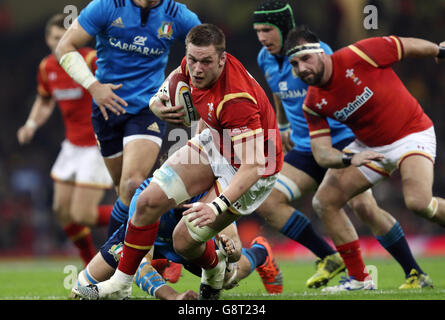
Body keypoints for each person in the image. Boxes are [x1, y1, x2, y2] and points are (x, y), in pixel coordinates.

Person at [78, 23, 284, 300]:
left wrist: (216, 206)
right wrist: (156, 103)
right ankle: (120, 284)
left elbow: (254, 165)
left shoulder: (236, 100)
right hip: (215, 141)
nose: (197, 69)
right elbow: (175, 77)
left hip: (251, 168)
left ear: (222, 59)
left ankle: (228, 266)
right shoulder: (193, 65)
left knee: (185, 241)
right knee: (146, 202)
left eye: (207, 62)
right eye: (193, 60)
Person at [252, 0, 431, 290]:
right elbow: (277, 92)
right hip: (307, 147)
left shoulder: (318, 54)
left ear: (283, 28)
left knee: (364, 208)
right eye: (257, 30)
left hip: (345, 141)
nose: (262, 37)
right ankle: (330, 257)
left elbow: (347, 87)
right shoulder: (264, 58)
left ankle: (414, 271)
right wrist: (283, 125)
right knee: (268, 199)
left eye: (267, 30)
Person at [285, 25, 445, 292]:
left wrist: (437, 50)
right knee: (324, 201)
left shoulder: (358, 54)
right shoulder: (312, 102)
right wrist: (348, 160)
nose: (301, 68)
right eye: (294, 63)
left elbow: (402, 45)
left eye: (305, 59)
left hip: (411, 132)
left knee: (418, 202)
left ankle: (411, 272)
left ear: (321, 53)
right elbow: (322, 153)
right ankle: (360, 279)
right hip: (369, 148)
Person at [54, 0, 202, 239]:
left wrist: (173, 89)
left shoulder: (177, 15)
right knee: (125, 192)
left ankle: (111, 259)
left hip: (147, 110)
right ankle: (157, 252)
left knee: (132, 184)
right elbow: (65, 47)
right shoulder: (106, 7)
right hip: (106, 110)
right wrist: (94, 86)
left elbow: (208, 53)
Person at [72, 177, 283, 300]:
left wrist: (232, 250)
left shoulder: (209, 198)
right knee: (79, 291)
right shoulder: (145, 200)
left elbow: (233, 246)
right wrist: (174, 297)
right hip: (151, 240)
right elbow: (139, 265)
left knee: (228, 277)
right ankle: (163, 263)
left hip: (191, 245)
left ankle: (260, 253)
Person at [17, 14, 114, 266]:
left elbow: (116, 86)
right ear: (48, 40)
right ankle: (88, 260)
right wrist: (30, 125)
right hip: (72, 145)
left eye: (64, 38)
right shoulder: (46, 67)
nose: (60, 43)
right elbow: (45, 100)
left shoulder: (91, 59)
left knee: (83, 214)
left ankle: (142, 218)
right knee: (62, 210)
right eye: (55, 39)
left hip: (96, 144)